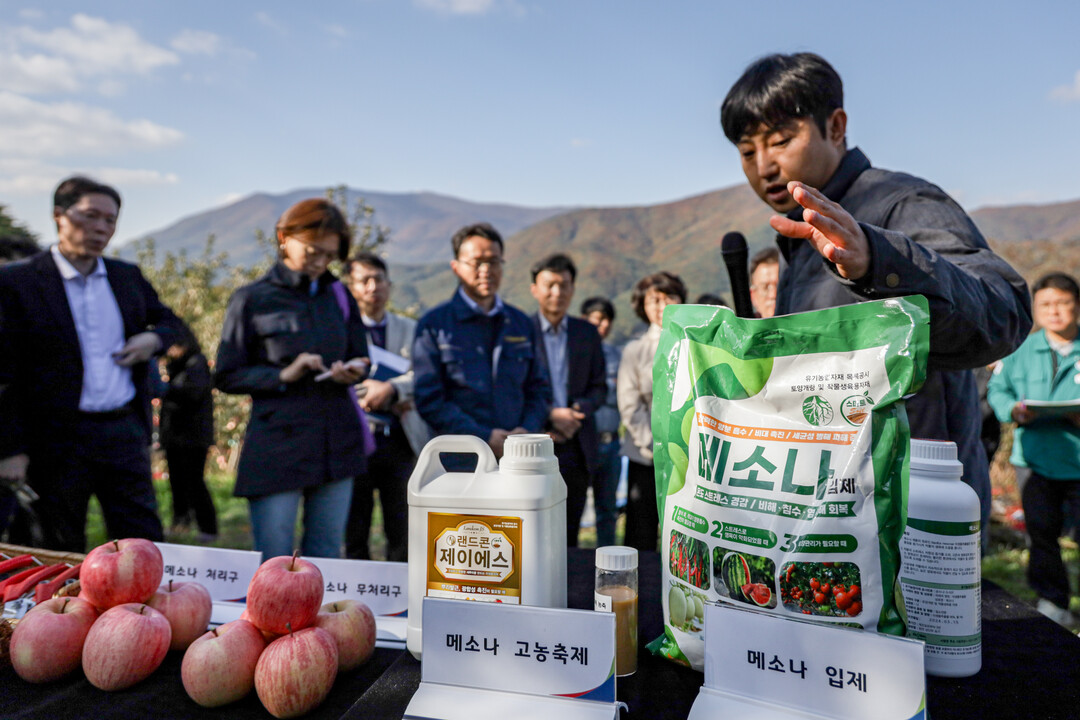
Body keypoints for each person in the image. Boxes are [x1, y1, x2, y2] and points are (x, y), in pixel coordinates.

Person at [720, 53, 1032, 537]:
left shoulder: (902, 204)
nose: (765, 165)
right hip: (837, 514)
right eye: (746, 151)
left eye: (781, 140)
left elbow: (1004, 311)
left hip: (914, 515)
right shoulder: (798, 240)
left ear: (836, 126)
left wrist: (878, 260)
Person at [0, 176, 183, 551]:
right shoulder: (18, 282)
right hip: (52, 436)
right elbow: (4, 373)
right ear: (59, 216)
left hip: (122, 431)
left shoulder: (125, 277)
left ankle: (140, 611)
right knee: (55, 544)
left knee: (142, 539)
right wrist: (9, 448)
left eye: (110, 220)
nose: (100, 228)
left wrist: (153, 339)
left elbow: (171, 324)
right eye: (90, 216)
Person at [215, 198, 369, 560]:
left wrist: (354, 370)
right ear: (284, 238)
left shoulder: (338, 295)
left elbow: (362, 354)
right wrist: (283, 374)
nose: (319, 263)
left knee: (326, 556)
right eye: (313, 251)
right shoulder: (252, 299)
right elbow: (226, 374)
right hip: (278, 445)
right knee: (275, 560)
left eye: (329, 256)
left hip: (336, 443)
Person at [413, 223, 551, 468]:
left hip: (518, 461)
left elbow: (539, 389)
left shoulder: (520, 323)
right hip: (458, 463)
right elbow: (430, 399)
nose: (486, 270)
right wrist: (483, 438)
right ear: (456, 267)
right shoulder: (435, 325)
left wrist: (525, 432)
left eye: (494, 262)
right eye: (477, 262)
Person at [987, 273, 1080, 628]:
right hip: (1035, 457)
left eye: (1063, 302)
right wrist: (1012, 410)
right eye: (1046, 304)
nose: (1055, 311)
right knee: (1041, 534)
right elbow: (999, 390)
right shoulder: (1022, 350)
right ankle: (1053, 600)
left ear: (1077, 305)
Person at [344, 252, 431, 561]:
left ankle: (400, 599)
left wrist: (394, 389)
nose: (372, 287)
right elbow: (338, 375)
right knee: (354, 525)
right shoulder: (342, 329)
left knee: (403, 525)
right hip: (355, 438)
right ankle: (355, 592)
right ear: (351, 288)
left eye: (378, 279)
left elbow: (426, 374)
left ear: (389, 285)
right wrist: (373, 393)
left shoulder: (411, 328)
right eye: (364, 280)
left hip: (400, 438)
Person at [529, 254, 606, 547]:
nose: (557, 293)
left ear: (573, 289)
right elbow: (514, 391)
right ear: (534, 288)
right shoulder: (520, 331)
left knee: (568, 531)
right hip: (534, 442)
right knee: (531, 529)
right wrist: (550, 415)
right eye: (549, 285)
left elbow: (600, 388)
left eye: (564, 285)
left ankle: (565, 591)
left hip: (576, 442)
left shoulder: (587, 333)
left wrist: (577, 412)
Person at [619, 271, 687, 552]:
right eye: (654, 300)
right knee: (641, 533)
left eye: (669, 297)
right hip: (646, 458)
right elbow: (630, 407)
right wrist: (658, 446)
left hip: (686, 458)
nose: (662, 306)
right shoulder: (635, 350)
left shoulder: (692, 343)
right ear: (642, 306)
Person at [160, 325, 218, 542]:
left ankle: (208, 528)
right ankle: (180, 522)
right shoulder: (175, 366)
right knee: (176, 482)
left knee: (194, 482)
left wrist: (165, 389)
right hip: (174, 436)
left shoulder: (197, 364)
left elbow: (191, 394)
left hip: (193, 438)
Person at [581, 296, 622, 547]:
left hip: (612, 441)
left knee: (608, 510)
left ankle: (607, 561)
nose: (601, 325)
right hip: (583, 441)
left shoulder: (617, 354)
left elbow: (623, 394)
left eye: (606, 319)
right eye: (596, 319)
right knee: (572, 507)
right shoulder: (577, 353)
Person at [749, 246, 779, 318]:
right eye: (765, 287)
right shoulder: (742, 328)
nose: (773, 295)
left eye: (779, 286)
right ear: (753, 296)